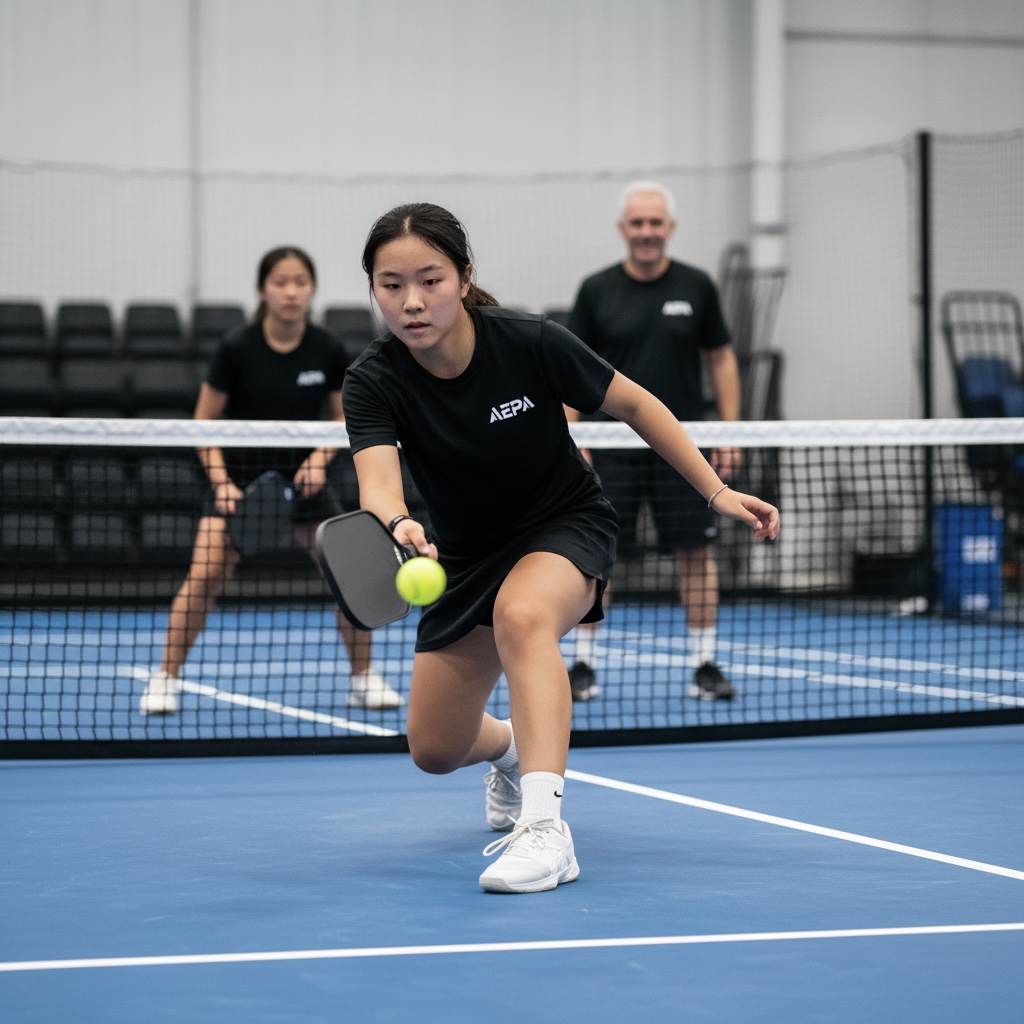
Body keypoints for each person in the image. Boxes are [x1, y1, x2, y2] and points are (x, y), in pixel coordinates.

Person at [343, 203, 778, 894]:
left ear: (463, 277)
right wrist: (398, 526)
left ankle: (546, 831)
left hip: (563, 523)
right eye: (390, 284)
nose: (412, 301)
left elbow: (637, 404)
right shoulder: (373, 378)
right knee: (433, 748)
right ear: (373, 289)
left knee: (524, 616)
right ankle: (514, 752)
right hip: (463, 552)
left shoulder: (529, 342)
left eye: (429, 279)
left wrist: (714, 491)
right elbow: (379, 484)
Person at [139, 246, 402, 715]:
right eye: (281, 281)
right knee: (204, 577)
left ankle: (363, 678)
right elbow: (203, 425)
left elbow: (344, 421)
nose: (291, 291)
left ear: (312, 289)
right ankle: (165, 678)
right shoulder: (236, 349)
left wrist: (321, 459)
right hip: (239, 484)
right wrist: (221, 484)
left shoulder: (327, 347)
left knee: (353, 578)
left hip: (307, 485)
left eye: (300, 281)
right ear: (264, 289)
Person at [564, 180, 743, 703]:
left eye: (655, 223)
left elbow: (722, 358)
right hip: (611, 448)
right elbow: (570, 366)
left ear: (669, 229)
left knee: (695, 552)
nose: (646, 232)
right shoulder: (596, 291)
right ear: (624, 230)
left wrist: (732, 432)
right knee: (598, 554)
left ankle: (706, 663)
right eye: (637, 223)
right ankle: (583, 665)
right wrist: (571, 431)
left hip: (681, 446)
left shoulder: (698, 286)